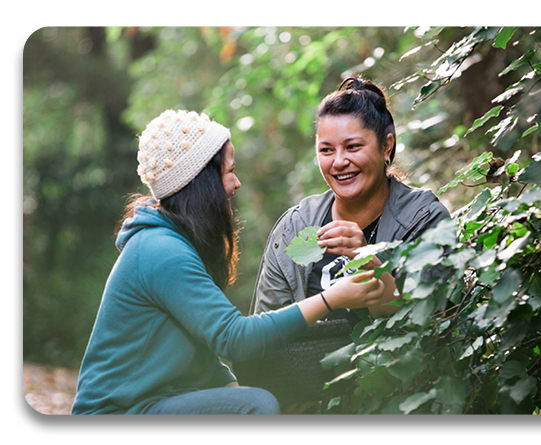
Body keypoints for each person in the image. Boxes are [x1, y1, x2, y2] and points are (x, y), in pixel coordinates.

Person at [70, 109, 384, 415]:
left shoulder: (170, 242)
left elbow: (205, 350)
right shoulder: (161, 251)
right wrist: (331, 299)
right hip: (116, 415)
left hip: (149, 405)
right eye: (230, 171)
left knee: (256, 402)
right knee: (258, 404)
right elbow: (235, 339)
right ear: (200, 181)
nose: (236, 183)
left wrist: (239, 393)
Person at [251, 77, 450, 322]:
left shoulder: (424, 219)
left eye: (353, 147)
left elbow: (433, 325)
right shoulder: (293, 228)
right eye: (326, 150)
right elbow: (266, 333)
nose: (339, 161)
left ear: (386, 147)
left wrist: (366, 257)